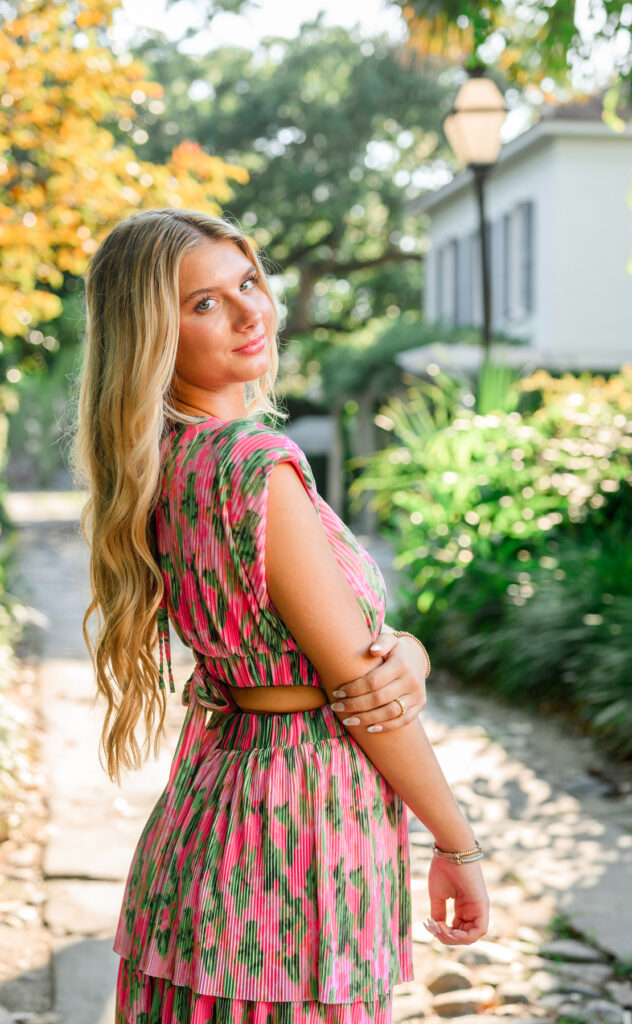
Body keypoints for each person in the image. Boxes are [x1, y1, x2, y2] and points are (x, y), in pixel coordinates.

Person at [72, 208, 489, 1024]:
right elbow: (365, 691)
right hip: (297, 829)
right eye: (204, 303)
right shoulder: (254, 467)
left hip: (215, 810)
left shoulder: (166, 462)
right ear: (150, 333)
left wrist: (409, 648)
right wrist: (456, 842)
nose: (249, 311)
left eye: (249, 283)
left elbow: (327, 647)